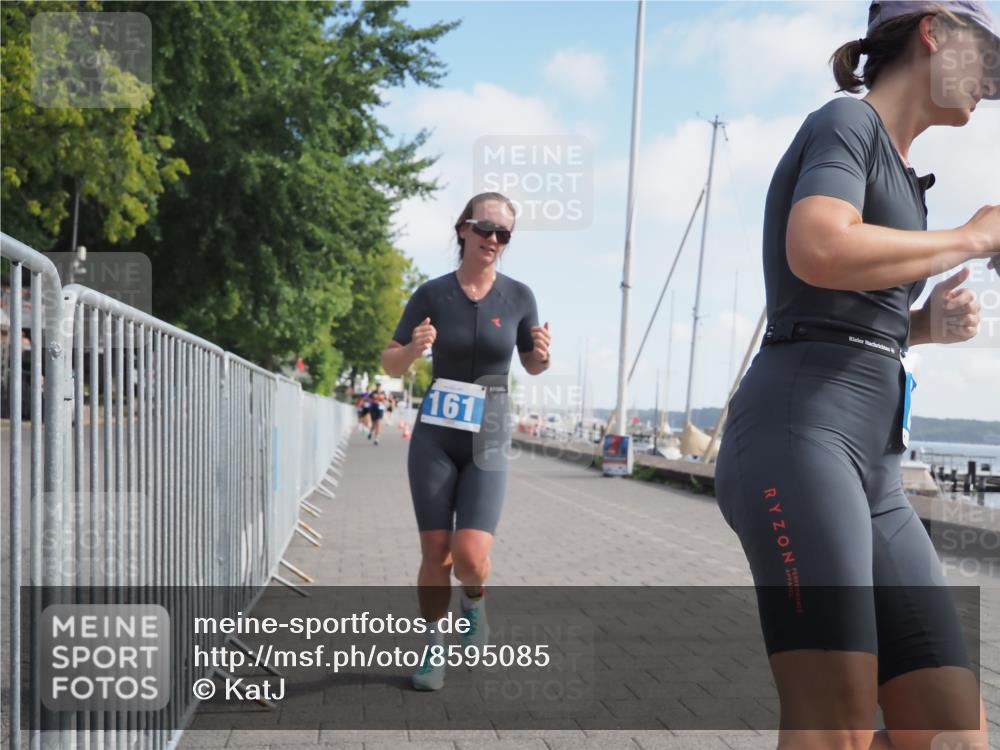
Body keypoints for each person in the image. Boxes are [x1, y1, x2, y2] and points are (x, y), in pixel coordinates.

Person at [714, 2, 999, 748]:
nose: (993, 83)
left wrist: (925, 325)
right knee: (835, 723)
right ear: (934, 32)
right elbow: (817, 248)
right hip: (797, 437)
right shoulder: (847, 123)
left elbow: (849, 311)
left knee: (953, 733)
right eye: (989, 57)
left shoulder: (903, 173)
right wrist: (973, 235)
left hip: (876, 473)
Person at [381, 191, 551, 690]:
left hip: (489, 435)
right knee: (436, 553)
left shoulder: (519, 296)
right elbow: (390, 362)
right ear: (463, 229)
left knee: (471, 557)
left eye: (504, 234)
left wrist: (542, 355)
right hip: (435, 435)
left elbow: (533, 363)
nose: (494, 239)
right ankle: (433, 646)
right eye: (485, 228)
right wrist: (413, 349)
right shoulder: (432, 294)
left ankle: (474, 602)